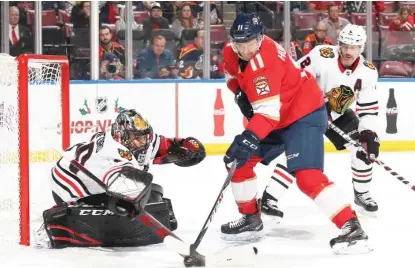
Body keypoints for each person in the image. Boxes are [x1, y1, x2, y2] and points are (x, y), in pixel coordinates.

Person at [221, 13, 371, 254]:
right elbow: (231, 75)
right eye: (239, 43)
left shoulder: (264, 65)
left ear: (260, 39)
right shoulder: (231, 51)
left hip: (304, 114)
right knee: (239, 163)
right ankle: (251, 219)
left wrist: (248, 137)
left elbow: (268, 114)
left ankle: (352, 228)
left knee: (307, 177)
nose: (245, 49)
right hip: (279, 114)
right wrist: (238, 93)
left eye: (249, 43)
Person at [255, 24, 380, 219]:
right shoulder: (321, 55)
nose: (347, 51)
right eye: (344, 45)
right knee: (299, 153)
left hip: (338, 115)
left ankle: (362, 194)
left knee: (362, 149)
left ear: (361, 48)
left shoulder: (368, 72)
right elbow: (293, 77)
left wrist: (368, 134)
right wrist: (309, 107)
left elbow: (368, 110)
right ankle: (270, 197)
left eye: (353, 47)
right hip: (306, 111)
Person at [35, 109, 206, 249]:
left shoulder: (138, 139)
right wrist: (130, 200)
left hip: (94, 179)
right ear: (121, 135)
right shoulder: (114, 151)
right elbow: (125, 186)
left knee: (153, 191)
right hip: (69, 188)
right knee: (136, 195)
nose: (143, 142)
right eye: (138, 138)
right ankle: (63, 219)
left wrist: (185, 149)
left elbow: (165, 146)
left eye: (144, 136)